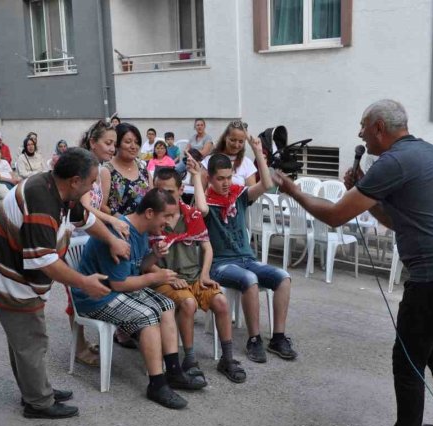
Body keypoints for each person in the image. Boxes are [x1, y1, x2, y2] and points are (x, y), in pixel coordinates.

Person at [273, 99, 433, 426]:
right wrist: (369, 199)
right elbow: (400, 221)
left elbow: (337, 216)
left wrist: (293, 191)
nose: (359, 134)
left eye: (362, 126)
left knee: (408, 359)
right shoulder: (427, 152)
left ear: (379, 129)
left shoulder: (393, 162)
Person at [0, 148, 131, 420]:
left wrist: (112, 240)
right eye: (91, 180)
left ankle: (36, 390)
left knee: (24, 341)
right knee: (31, 341)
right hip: (10, 281)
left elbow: (87, 219)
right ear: (74, 181)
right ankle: (39, 402)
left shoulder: (60, 191)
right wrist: (84, 282)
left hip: (18, 278)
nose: (94, 186)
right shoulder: (42, 200)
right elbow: (44, 261)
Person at [72, 188, 206, 409]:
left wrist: (155, 255)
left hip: (117, 289)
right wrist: (156, 276)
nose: (171, 223)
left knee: (166, 304)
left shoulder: (141, 229)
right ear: (150, 213)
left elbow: (138, 267)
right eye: (168, 216)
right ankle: (157, 384)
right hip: (97, 296)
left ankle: (173, 372)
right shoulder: (120, 233)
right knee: (148, 315)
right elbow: (119, 284)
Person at [200, 139, 297, 364]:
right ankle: (254, 339)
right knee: (250, 279)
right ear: (210, 178)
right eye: (220, 179)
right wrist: (198, 177)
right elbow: (200, 206)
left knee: (283, 277)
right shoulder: (205, 203)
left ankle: (278, 337)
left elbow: (266, 184)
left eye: (229, 177)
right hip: (221, 264)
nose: (225, 183)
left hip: (247, 258)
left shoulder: (239, 196)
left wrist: (257, 152)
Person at [153, 165, 246, 383]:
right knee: (188, 304)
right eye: (159, 191)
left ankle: (228, 359)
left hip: (194, 277)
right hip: (165, 278)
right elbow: (144, 261)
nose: (164, 196)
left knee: (221, 302)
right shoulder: (152, 218)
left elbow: (207, 247)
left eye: (170, 192)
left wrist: (204, 274)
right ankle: (190, 360)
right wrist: (168, 276)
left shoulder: (191, 215)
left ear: (179, 190)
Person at [70, 119, 135, 365]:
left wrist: (115, 218)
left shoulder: (97, 168)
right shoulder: (85, 169)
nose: (112, 148)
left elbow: (99, 205)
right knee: (75, 294)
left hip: (92, 236)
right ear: (92, 142)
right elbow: (85, 209)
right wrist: (112, 221)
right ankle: (79, 347)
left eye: (114, 144)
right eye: (108, 143)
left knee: (94, 287)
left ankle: (90, 339)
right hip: (78, 237)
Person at [102, 123, 150, 216]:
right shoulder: (107, 171)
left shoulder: (143, 168)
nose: (133, 146)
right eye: (128, 142)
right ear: (117, 144)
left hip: (143, 227)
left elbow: (152, 198)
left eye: (136, 142)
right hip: (116, 227)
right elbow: (101, 206)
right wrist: (124, 221)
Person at [200, 121, 258, 188]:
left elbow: (252, 195)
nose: (236, 145)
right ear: (225, 137)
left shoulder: (247, 164)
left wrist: (257, 151)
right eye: (233, 140)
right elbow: (200, 191)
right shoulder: (209, 160)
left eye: (241, 141)